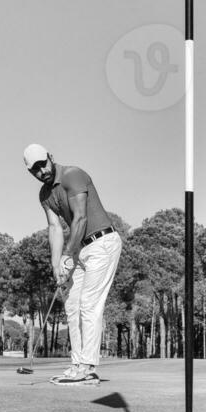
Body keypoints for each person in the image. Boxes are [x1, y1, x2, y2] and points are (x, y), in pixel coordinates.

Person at [23, 143, 122, 386]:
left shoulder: (73, 175)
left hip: (103, 243)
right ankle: (77, 363)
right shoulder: (44, 195)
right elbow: (55, 227)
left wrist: (67, 254)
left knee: (89, 304)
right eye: (35, 169)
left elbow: (80, 218)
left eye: (43, 164)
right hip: (81, 249)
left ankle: (87, 368)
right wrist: (56, 264)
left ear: (50, 157)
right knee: (72, 306)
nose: (42, 171)